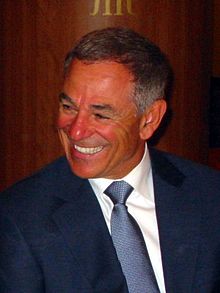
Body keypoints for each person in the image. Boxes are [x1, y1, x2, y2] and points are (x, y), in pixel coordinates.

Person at [0, 27, 220, 293]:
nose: (75, 131)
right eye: (68, 107)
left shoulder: (209, 196)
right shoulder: (21, 218)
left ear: (149, 119)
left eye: (100, 115)